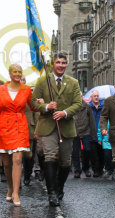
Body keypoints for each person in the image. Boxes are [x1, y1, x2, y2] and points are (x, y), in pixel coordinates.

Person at [31, 52, 82, 206]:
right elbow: (33, 103)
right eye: (58, 62)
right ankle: (51, 192)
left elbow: (78, 103)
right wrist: (47, 106)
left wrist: (65, 112)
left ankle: (60, 187)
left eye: (64, 63)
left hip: (66, 126)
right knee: (50, 157)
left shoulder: (73, 82)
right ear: (53, 64)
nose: (61, 65)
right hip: (47, 126)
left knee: (66, 162)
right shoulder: (42, 81)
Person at [0, 64, 33, 207]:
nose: (18, 74)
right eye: (15, 72)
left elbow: (32, 106)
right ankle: (10, 187)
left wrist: (41, 103)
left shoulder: (26, 89)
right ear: (9, 74)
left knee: (18, 159)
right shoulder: (0, 90)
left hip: (20, 126)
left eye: (20, 72)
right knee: (6, 163)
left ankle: (16, 193)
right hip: (4, 127)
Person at [72, 98, 97, 178]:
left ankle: (86, 168)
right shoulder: (71, 106)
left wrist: (93, 134)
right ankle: (77, 170)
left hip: (86, 131)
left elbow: (91, 120)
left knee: (87, 150)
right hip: (74, 132)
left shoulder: (87, 106)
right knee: (75, 152)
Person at [89, 91, 105, 177]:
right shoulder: (89, 107)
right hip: (91, 133)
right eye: (94, 96)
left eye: (97, 96)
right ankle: (95, 170)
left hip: (101, 133)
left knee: (101, 152)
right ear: (91, 97)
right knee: (93, 153)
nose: (96, 97)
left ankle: (100, 169)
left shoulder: (103, 107)